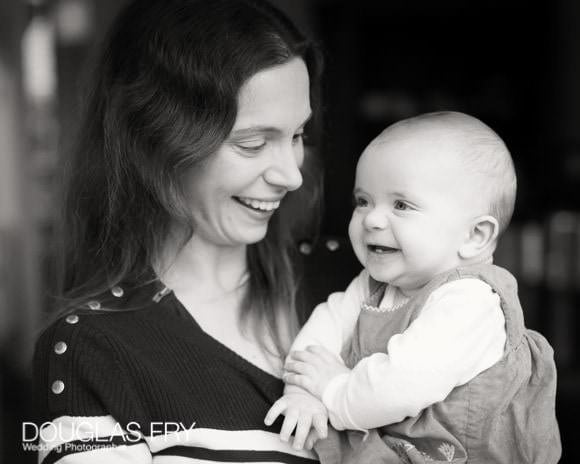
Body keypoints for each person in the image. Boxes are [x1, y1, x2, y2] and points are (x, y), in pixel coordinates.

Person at [32, 0, 325, 462]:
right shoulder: (96, 349)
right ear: (158, 141)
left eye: (298, 136)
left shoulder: (361, 288)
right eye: (252, 143)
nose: (291, 174)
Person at [266, 111, 561, 463]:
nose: (372, 219)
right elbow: (324, 330)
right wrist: (303, 391)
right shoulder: (375, 285)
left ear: (474, 236)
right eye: (363, 201)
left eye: (401, 205)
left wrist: (330, 389)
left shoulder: (471, 302)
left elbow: (400, 386)